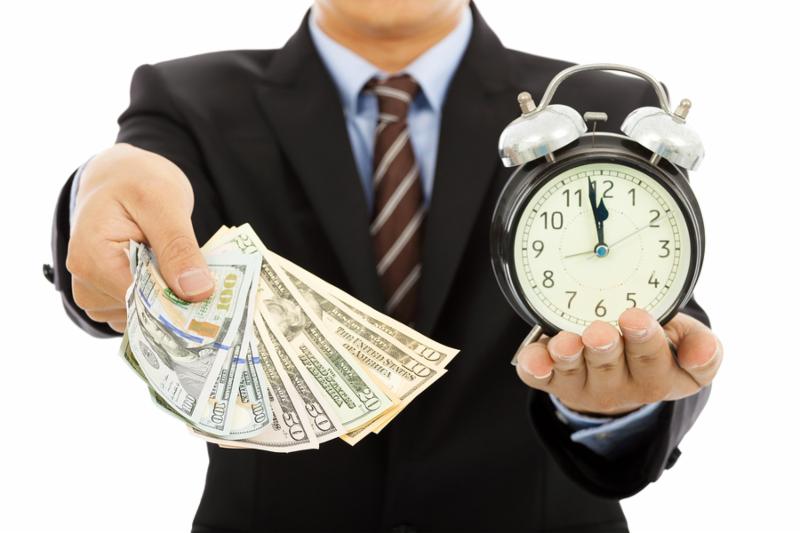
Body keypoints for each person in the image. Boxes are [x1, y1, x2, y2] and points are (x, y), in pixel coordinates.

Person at [47, 1, 723, 531]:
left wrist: (613, 408)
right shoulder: (189, 98)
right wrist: (98, 190)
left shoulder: (588, 100)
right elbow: (138, 181)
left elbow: (655, 281)